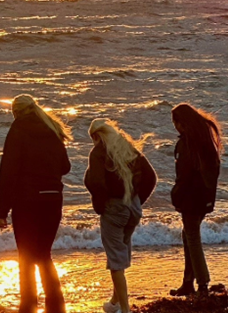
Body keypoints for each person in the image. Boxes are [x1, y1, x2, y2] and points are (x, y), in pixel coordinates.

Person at [0, 94, 72, 313]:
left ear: (16, 112)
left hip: (27, 201)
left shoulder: (18, 129)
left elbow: (8, 170)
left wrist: (2, 210)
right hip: (53, 198)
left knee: (27, 256)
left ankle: (28, 305)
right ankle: (56, 305)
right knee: (44, 254)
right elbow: (65, 167)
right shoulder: (52, 129)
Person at [85, 119, 157, 313]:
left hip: (114, 208)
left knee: (116, 260)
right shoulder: (128, 148)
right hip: (132, 207)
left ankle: (125, 309)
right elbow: (151, 177)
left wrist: (101, 207)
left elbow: (97, 183)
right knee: (121, 253)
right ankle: (114, 303)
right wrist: (137, 201)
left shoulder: (98, 152)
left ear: (97, 135)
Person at [168, 103, 222, 297]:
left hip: (191, 198)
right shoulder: (205, 141)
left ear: (182, 123)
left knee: (192, 237)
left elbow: (183, 176)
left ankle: (202, 283)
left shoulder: (187, 144)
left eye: (176, 123)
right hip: (203, 198)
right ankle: (188, 282)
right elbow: (212, 173)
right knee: (188, 236)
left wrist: (176, 195)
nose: (175, 127)